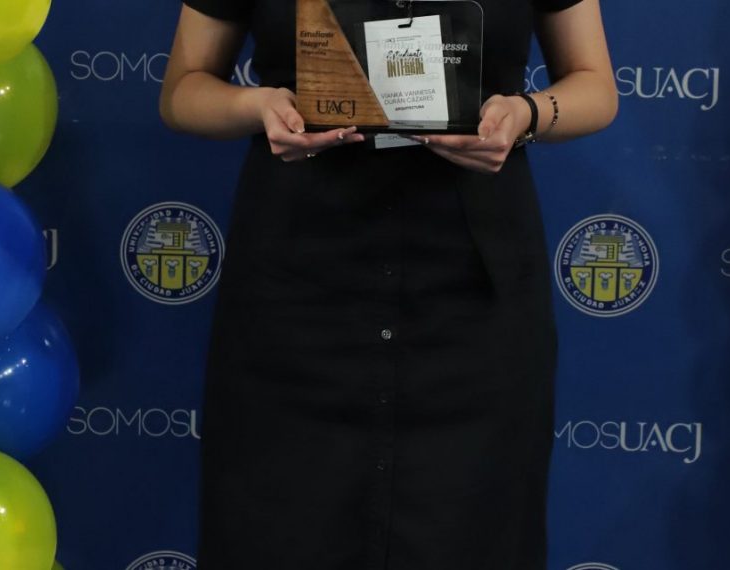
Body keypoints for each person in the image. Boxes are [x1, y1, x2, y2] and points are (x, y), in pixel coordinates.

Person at [160, 1, 617, 568]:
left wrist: (525, 114)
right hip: (297, 297)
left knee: (473, 534)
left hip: (473, 298)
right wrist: (258, 106)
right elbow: (182, 91)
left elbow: (596, 88)